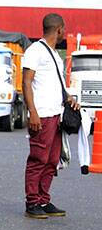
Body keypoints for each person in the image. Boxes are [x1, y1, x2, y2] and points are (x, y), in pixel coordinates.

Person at [22, 13, 79, 219]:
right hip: (42, 115)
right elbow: (26, 82)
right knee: (38, 158)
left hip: (56, 114)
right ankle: (32, 203)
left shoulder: (54, 54)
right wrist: (33, 113)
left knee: (52, 160)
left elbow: (56, 84)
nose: (65, 33)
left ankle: (44, 200)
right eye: (64, 29)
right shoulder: (35, 51)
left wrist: (69, 97)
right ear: (59, 29)